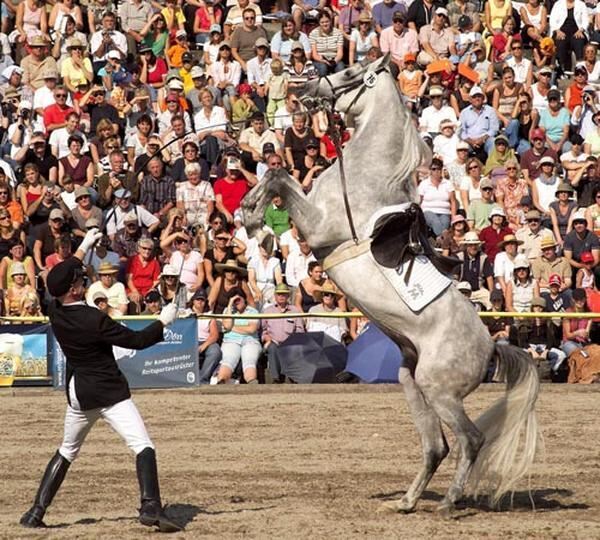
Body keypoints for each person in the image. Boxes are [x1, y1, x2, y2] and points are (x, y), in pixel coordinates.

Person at [19, 228, 182, 532]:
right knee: (142, 445)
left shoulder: (54, 308)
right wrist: (163, 320)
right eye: (80, 281)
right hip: (108, 392)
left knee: (67, 450)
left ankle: (35, 512)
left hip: (79, 393)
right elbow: (137, 341)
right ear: (75, 290)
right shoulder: (94, 319)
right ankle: (150, 507)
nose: (84, 280)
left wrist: (84, 246)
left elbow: (60, 278)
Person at [216, 288, 261, 384]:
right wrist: (229, 305)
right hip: (231, 341)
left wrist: (232, 327)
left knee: (249, 361)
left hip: (250, 341)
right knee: (228, 361)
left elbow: (251, 329)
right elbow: (227, 325)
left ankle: (252, 382)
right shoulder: (227, 311)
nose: (237, 303)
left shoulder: (253, 312)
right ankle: (222, 382)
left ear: (244, 299)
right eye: (234, 301)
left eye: (238, 299)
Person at [261, 283, 305, 383]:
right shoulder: (268, 311)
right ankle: (276, 378)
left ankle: (293, 377)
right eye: (279, 294)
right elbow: (264, 330)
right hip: (273, 342)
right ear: (275, 296)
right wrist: (267, 339)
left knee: (293, 348)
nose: (281, 296)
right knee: (272, 348)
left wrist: (293, 341)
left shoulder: (295, 311)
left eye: (284, 294)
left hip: (290, 342)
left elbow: (299, 329)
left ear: (288, 296)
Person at [188, 288, 222, 384]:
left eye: (202, 299)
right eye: (198, 299)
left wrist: (204, 345)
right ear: (193, 300)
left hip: (206, 341)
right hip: (189, 341)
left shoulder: (209, 315)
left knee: (216, 351)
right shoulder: (185, 313)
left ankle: (203, 379)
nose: (200, 301)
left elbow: (214, 335)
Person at [418, 157, 456, 237]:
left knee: (445, 223)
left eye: (438, 169)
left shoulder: (448, 184)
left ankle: (441, 240)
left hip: (444, 212)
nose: (436, 171)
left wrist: (453, 217)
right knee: (435, 221)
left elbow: (453, 201)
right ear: (430, 170)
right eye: (433, 169)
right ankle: (445, 238)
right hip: (428, 211)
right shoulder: (424, 184)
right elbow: (419, 201)